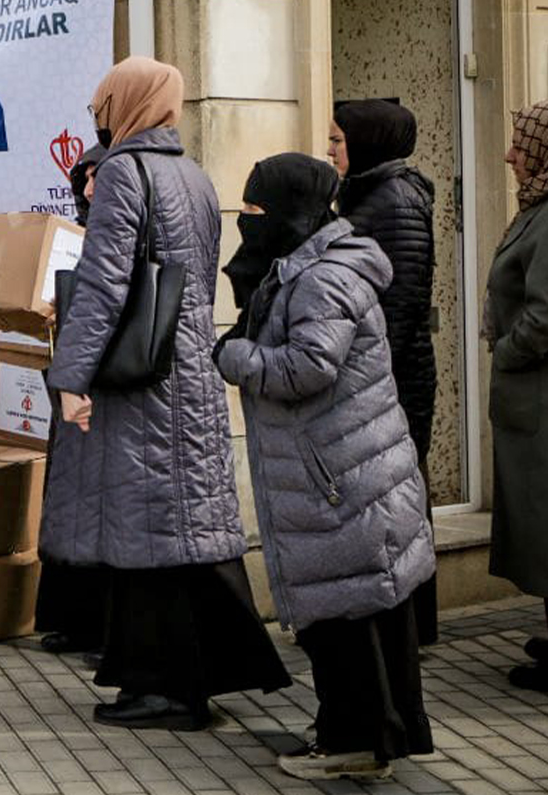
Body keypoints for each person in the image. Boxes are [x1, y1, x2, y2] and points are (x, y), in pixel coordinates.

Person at [44, 57, 288, 731]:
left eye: (104, 102)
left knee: (146, 534)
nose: (98, 112)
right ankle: (168, 680)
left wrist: (71, 376)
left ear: (124, 104)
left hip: (142, 379)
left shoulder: (124, 171)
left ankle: (167, 689)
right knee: (179, 532)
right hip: (187, 370)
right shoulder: (193, 174)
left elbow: (103, 284)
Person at [216, 153, 434, 781]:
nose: (248, 222)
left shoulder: (321, 279)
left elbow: (308, 369)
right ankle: (371, 732)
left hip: (338, 475)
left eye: (257, 210)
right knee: (361, 609)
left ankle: (354, 743)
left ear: (292, 211)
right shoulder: (315, 267)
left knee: (344, 618)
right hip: (343, 468)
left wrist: (235, 356)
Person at [327, 98, 439, 645]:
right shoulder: (371, 193)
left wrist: (371, 376)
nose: (329, 150)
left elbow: (401, 301)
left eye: (337, 141)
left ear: (367, 143)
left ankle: (412, 625)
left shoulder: (392, 200)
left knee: (399, 500)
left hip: (396, 376)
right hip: (389, 374)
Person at [483, 100, 548, 692]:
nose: (509, 157)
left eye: (520, 149)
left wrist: (505, 353)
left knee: (545, 521)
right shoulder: (538, 209)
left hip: (541, 402)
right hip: (533, 401)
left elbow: (545, 315)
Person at [33, 143, 107, 657]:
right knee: (71, 509)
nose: (85, 189)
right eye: (82, 178)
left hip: (101, 387)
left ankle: (99, 627)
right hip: (73, 383)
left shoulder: (125, 230)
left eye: (94, 177)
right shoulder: (80, 231)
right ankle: (75, 620)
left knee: (100, 512)